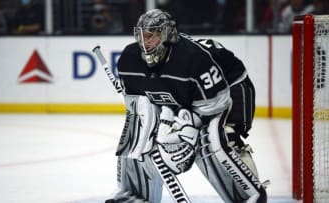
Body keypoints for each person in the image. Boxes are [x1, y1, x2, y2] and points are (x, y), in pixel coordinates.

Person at [106, 9, 268, 203]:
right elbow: (140, 108)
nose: (145, 42)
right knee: (140, 135)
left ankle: (247, 194)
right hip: (187, 92)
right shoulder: (129, 59)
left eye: (151, 36)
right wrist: (158, 129)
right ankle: (135, 194)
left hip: (229, 86)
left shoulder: (193, 59)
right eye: (141, 36)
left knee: (221, 136)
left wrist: (188, 132)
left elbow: (215, 107)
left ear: (166, 34)